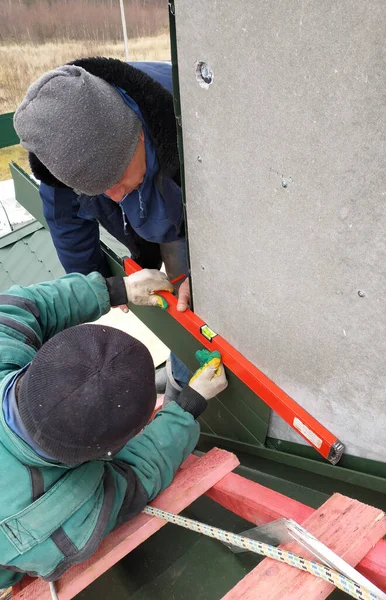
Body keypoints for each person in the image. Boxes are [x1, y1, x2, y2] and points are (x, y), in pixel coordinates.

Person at [0, 268, 227, 587]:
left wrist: (115, 289)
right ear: (108, 451)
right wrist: (189, 406)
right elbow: (136, 477)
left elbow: (23, 306)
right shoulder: (58, 519)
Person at [13, 57, 192, 401]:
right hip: (151, 207)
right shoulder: (61, 157)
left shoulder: (185, 114)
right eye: (97, 190)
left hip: (194, 203)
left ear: (137, 134)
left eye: (116, 179)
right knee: (169, 297)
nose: (113, 195)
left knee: (192, 300)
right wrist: (101, 283)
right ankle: (175, 368)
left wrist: (199, 274)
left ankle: (182, 386)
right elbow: (67, 225)